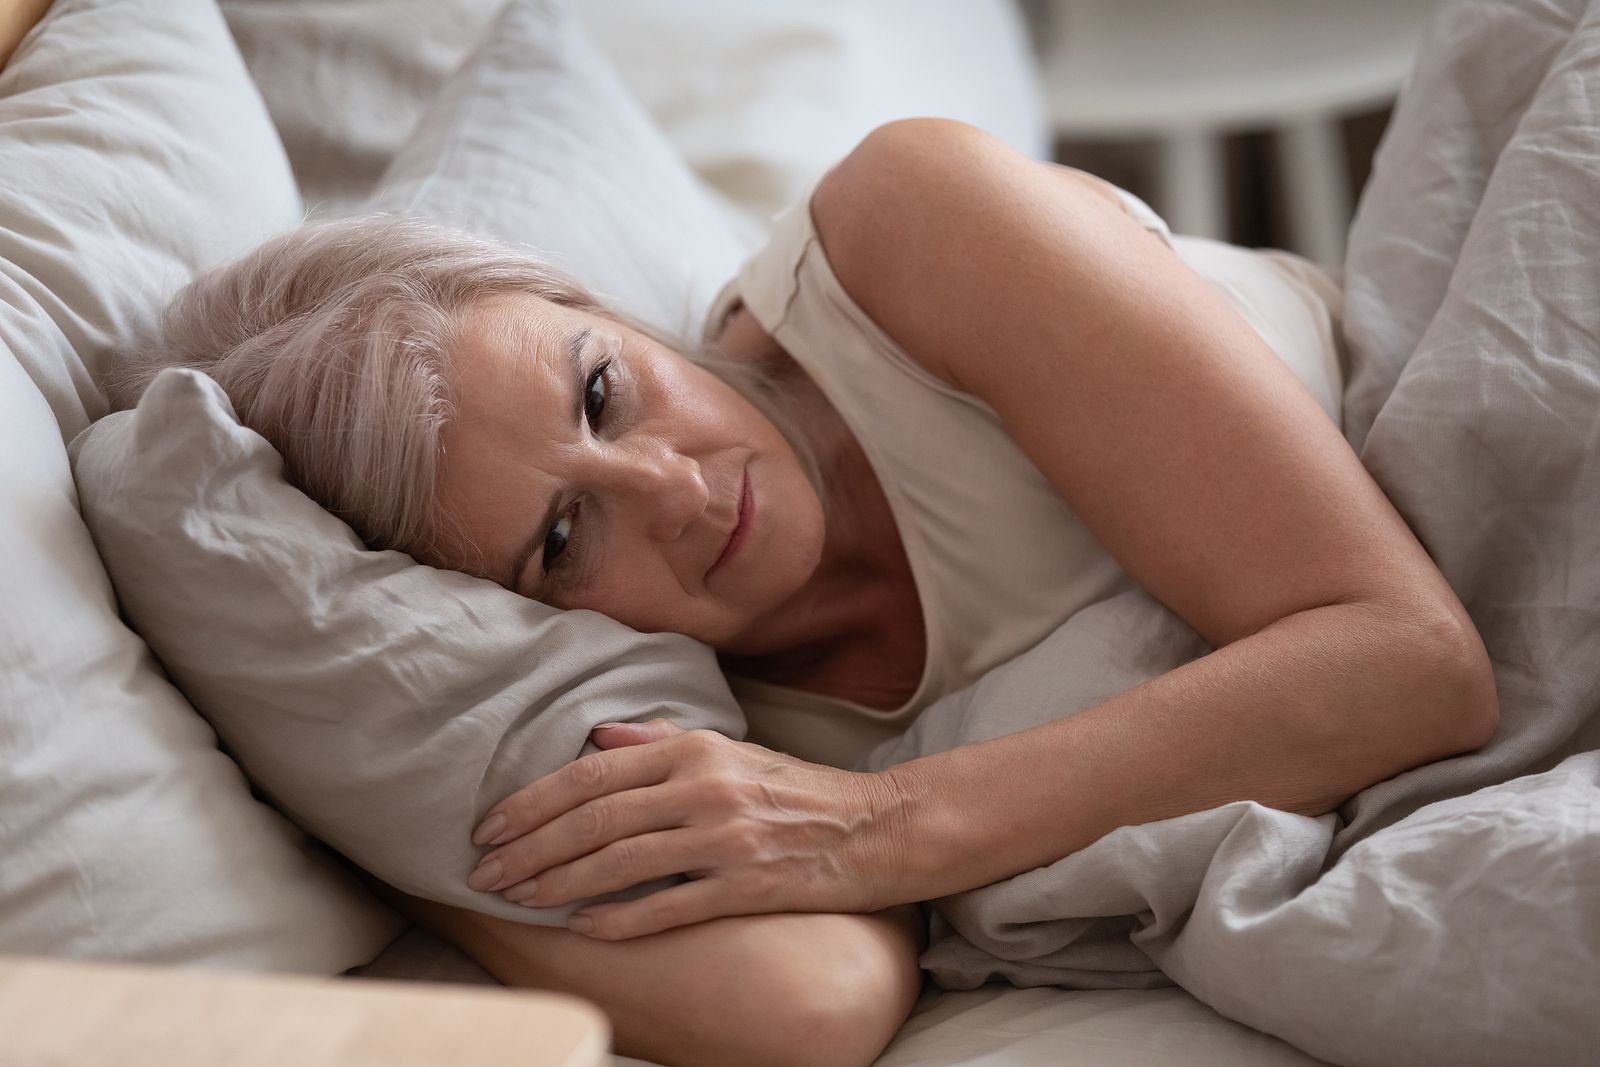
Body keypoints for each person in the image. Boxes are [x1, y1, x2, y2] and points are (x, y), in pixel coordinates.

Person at [109, 118, 1498, 1067]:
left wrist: (878, 825)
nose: (675, 490)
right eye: (561, 542)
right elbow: (819, 1005)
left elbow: (1413, 660)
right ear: (513, 620)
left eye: (603, 389)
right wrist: (357, 820)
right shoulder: (696, 724)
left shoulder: (909, 225)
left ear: (597, 305)